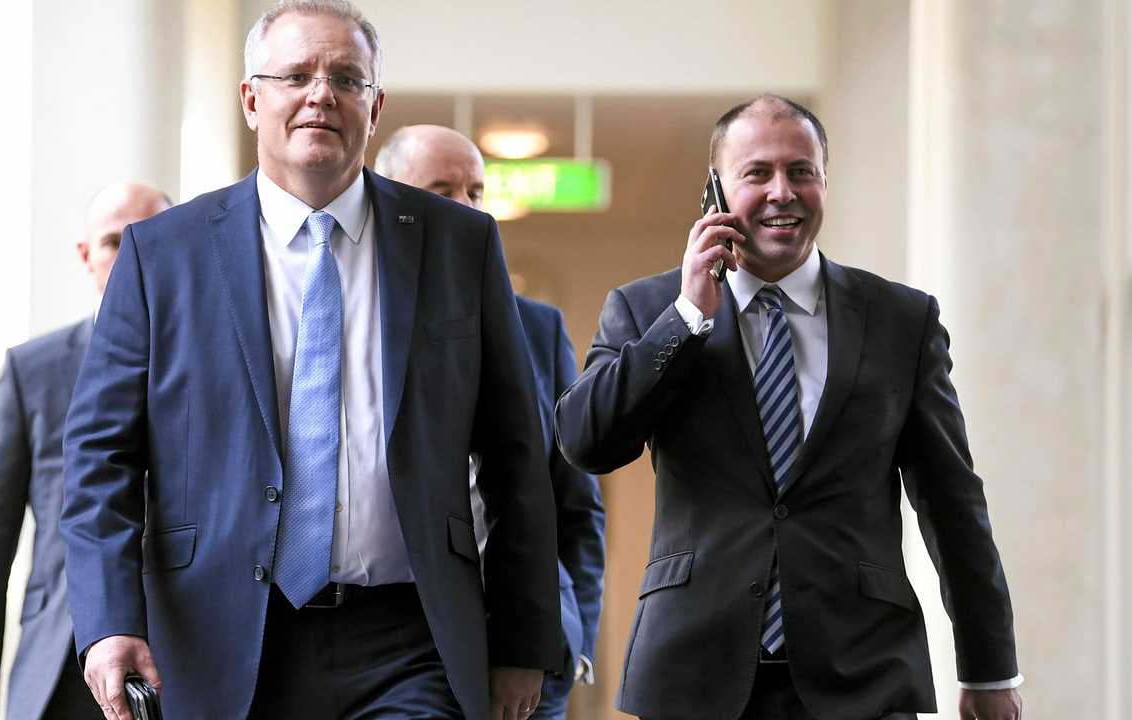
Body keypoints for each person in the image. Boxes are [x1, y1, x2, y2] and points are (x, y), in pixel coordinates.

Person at [60, 3, 562, 719]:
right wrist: (109, 620)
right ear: (250, 99)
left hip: (409, 636)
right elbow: (98, 457)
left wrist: (522, 640)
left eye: (346, 79)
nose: (320, 94)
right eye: (295, 75)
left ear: (375, 105)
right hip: (221, 635)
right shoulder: (162, 256)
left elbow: (520, 461)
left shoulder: (459, 246)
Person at [554, 95, 1024, 720]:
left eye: (801, 171)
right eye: (758, 173)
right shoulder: (648, 310)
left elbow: (953, 501)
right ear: (716, 191)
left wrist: (990, 669)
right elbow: (587, 442)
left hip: (864, 674)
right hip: (695, 674)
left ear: (824, 181)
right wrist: (689, 316)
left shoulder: (900, 321)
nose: (783, 192)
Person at [374, 124, 607, 720]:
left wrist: (572, 629)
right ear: (387, 200)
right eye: (441, 190)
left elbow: (573, 497)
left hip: (529, 646)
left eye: (476, 192)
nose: (467, 210)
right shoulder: (357, 320)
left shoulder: (537, 327)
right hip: (403, 640)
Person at [0, 183, 171, 720]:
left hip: (181, 658)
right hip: (60, 662)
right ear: (85, 256)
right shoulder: (32, 371)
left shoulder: (215, 366)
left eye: (150, 239)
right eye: (115, 241)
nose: (132, 255)